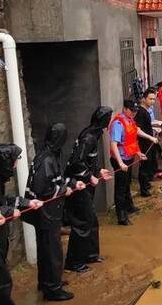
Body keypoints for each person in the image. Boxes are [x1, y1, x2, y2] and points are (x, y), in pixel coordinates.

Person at [24, 124, 85, 300]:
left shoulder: (48, 155)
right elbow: (44, 189)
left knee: (46, 249)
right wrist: (64, 190)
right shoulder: (46, 160)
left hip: (48, 213)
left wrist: (72, 183)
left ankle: (48, 281)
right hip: (46, 213)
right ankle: (53, 289)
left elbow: (57, 179)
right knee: (52, 251)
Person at [0, 139, 42, 304]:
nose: (15, 166)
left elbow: (1, 202)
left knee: (1, 284)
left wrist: (27, 203)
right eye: (13, 162)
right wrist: (8, 212)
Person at [63, 106, 113, 273]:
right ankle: (74, 262)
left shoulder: (95, 134)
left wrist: (98, 171)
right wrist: (88, 176)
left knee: (91, 220)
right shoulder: (88, 137)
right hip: (77, 186)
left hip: (86, 184)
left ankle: (91, 254)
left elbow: (90, 159)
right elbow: (77, 162)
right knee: (82, 223)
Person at [109, 100, 157, 226]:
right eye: (132, 110)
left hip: (128, 158)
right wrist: (120, 163)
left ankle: (129, 206)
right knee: (120, 187)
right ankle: (121, 216)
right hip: (120, 160)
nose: (134, 113)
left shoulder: (130, 120)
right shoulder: (119, 123)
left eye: (135, 111)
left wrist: (139, 152)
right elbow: (114, 144)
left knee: (127, 184)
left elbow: (134, 135)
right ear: (125, 109)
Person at [135, 89, 158, 197]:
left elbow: (146, 126)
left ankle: (146, 185)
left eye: (154, 99)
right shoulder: (141, 112)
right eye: (150, 99)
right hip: (144, 143)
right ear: (144, 99)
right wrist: (150, 137)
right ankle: (144, 190)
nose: (152, 101)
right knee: (144, 166)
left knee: (149, 164)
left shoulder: (147, 111)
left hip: (149, 141)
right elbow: (137, 129)